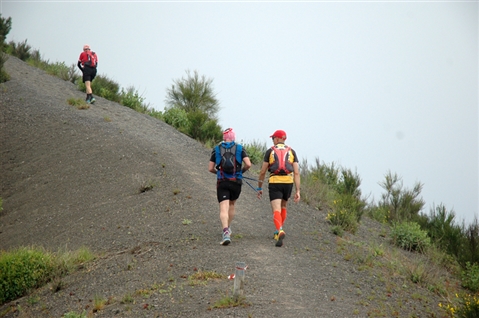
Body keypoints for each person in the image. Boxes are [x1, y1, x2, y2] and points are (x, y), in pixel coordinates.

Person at [257, 129, 300, 247]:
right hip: (288, 182)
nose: (272, 140)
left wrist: (259, 187)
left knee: (276, 208)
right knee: (283, 206)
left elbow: (262, 172)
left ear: (277, 139)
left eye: (273, 138)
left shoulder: (270, 151)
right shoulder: (292, 152)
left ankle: (279, 230)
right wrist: (298, 191)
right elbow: (296, 173)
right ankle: (278, 231)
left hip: (275, 182)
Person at [209, 128, 252, 245]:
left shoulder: (216, 149)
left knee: (223, 207)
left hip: (222, 181)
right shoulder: (240, 148)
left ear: (224, 138)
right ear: (233, 137)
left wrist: (218, 173)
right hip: (236, 181)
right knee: (232, 204)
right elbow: (248, 164)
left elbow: (210, 168)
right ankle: (228, 227)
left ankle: (225, 232)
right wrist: (241, 172)